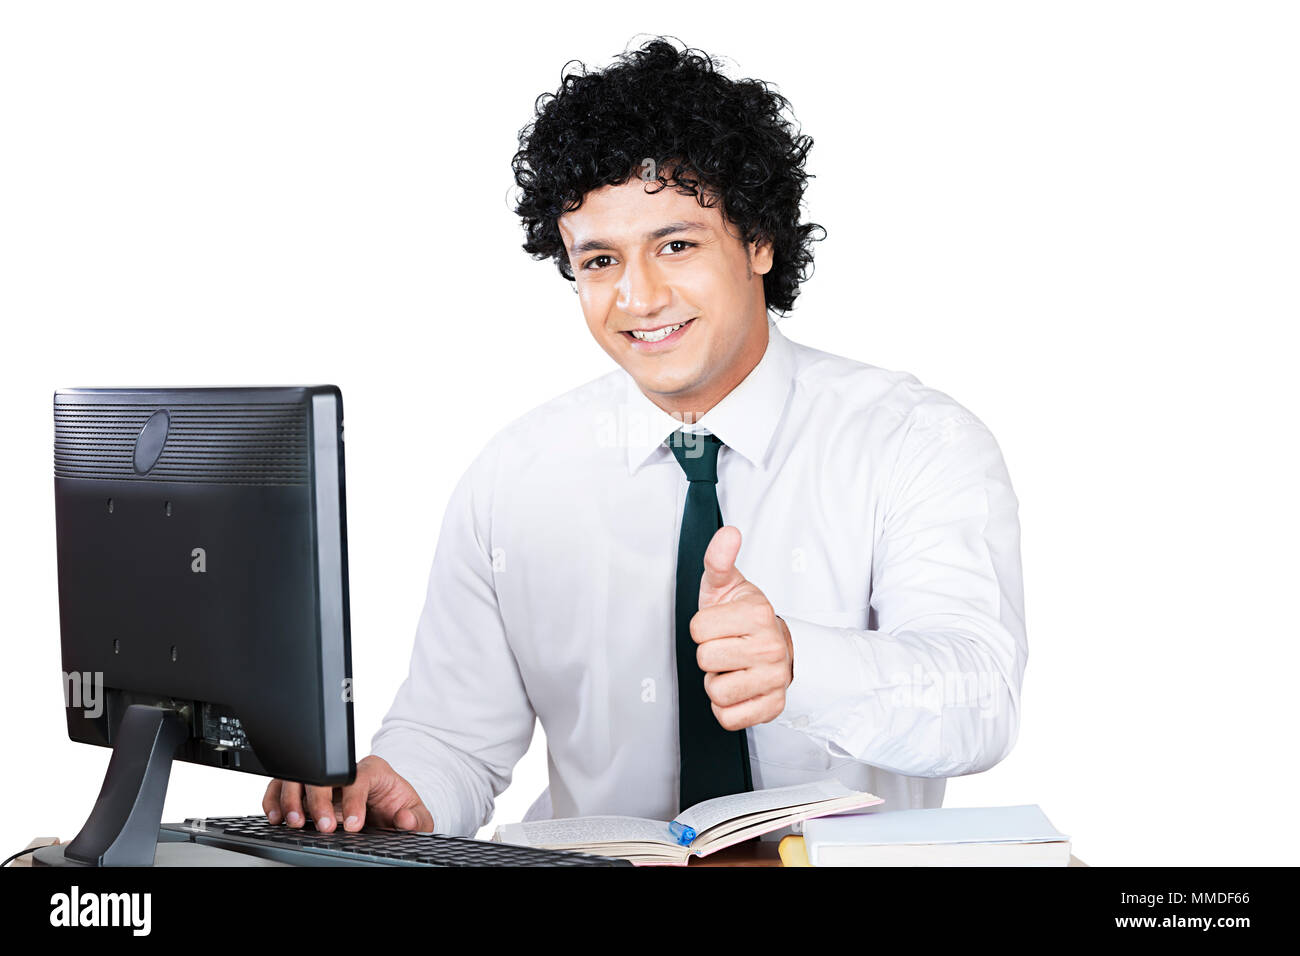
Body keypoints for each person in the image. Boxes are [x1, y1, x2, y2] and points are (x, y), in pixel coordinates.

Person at [263, 37, 1027, 836]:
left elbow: (979, 699)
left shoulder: (915, 442)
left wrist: (801, 665)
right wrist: (402, 788)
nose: (638, 296)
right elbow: (453, 737)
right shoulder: (514, 478)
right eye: (598, 261)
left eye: (676, 245)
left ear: (759, 240)